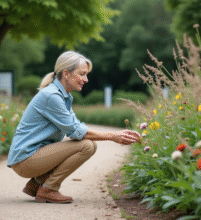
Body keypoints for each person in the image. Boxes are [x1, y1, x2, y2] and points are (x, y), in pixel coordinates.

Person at [7, 51, 141, 204]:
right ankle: (48, 189)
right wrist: (113, 136)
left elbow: (76, 129)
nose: (86, 79)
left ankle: (36, 184)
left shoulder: (62, 96)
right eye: (82, 74)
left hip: (29, 158)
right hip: (26, 160)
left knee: (86, 144)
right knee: (86, 146)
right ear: (66, 73)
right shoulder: (52, 96)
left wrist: (112, 135)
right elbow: (77, 132)